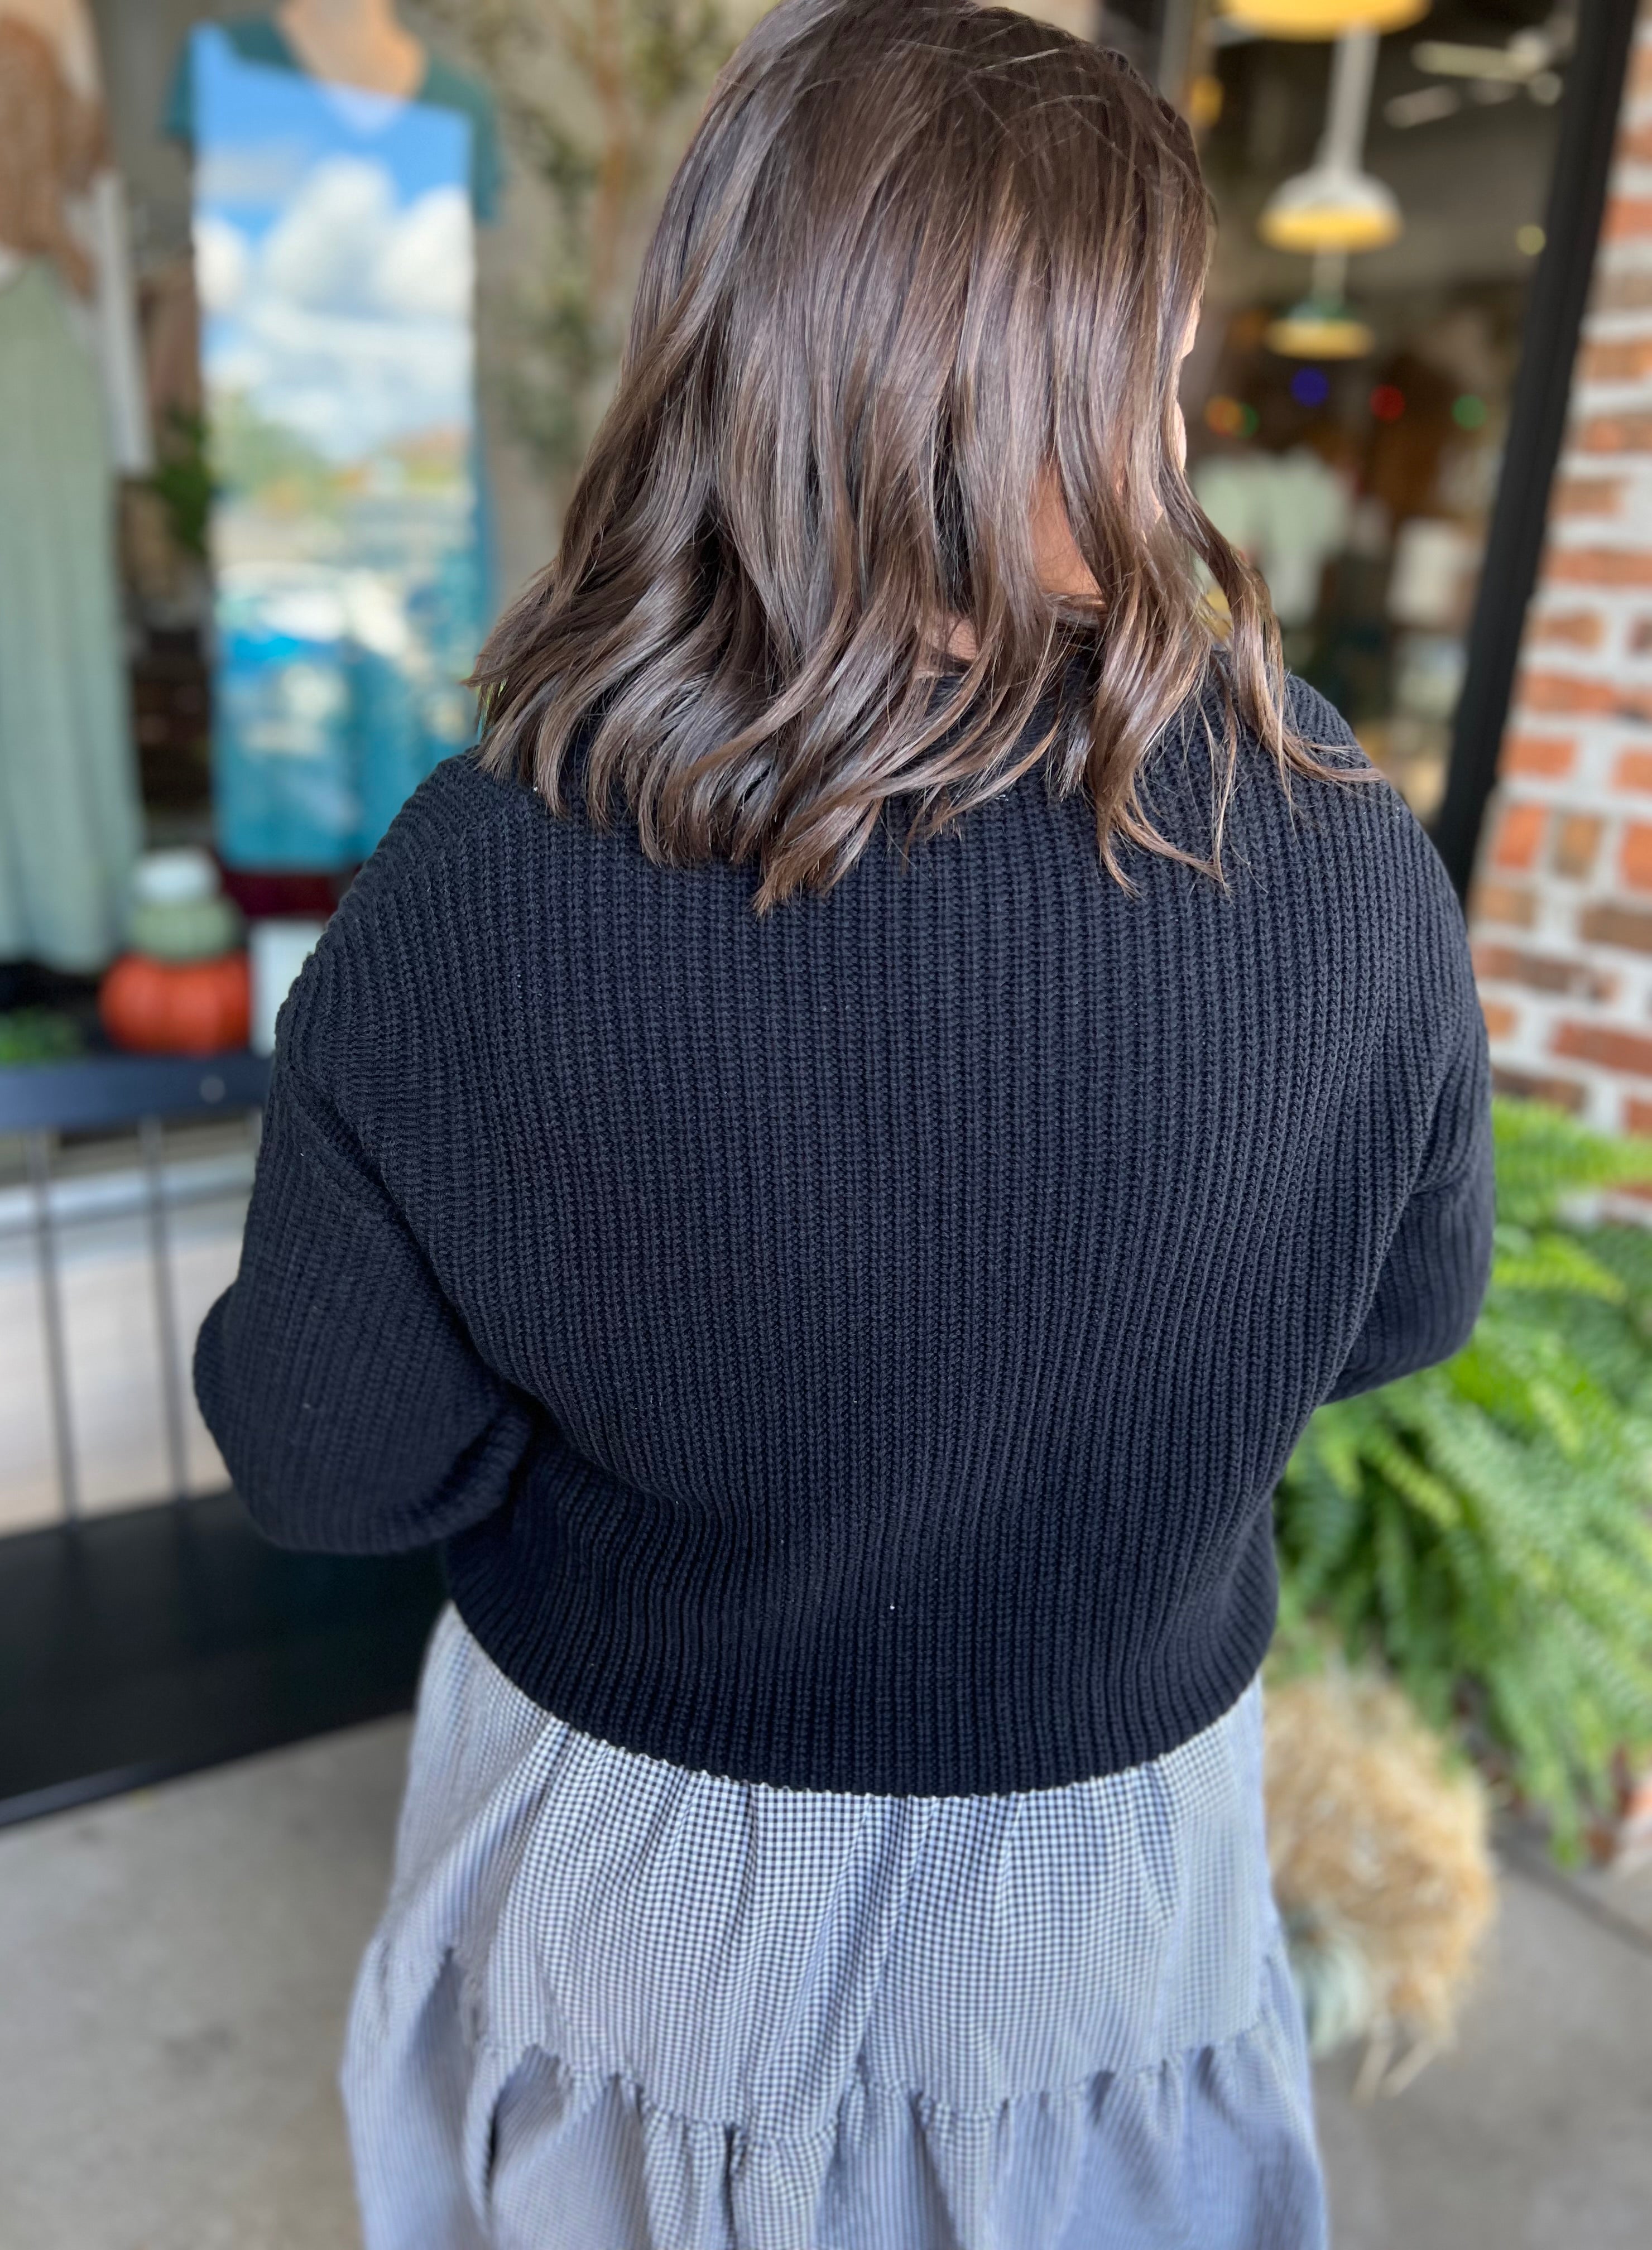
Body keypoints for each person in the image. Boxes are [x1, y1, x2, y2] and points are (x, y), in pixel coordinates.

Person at [194, 4, 1494, 2244]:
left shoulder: (482, 874)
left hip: (640, 1862)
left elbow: (328, 1461)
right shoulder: (1340, 838)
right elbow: (1403, 1312)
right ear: (1119, 374)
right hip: (1109, 1864)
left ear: (722, 346)